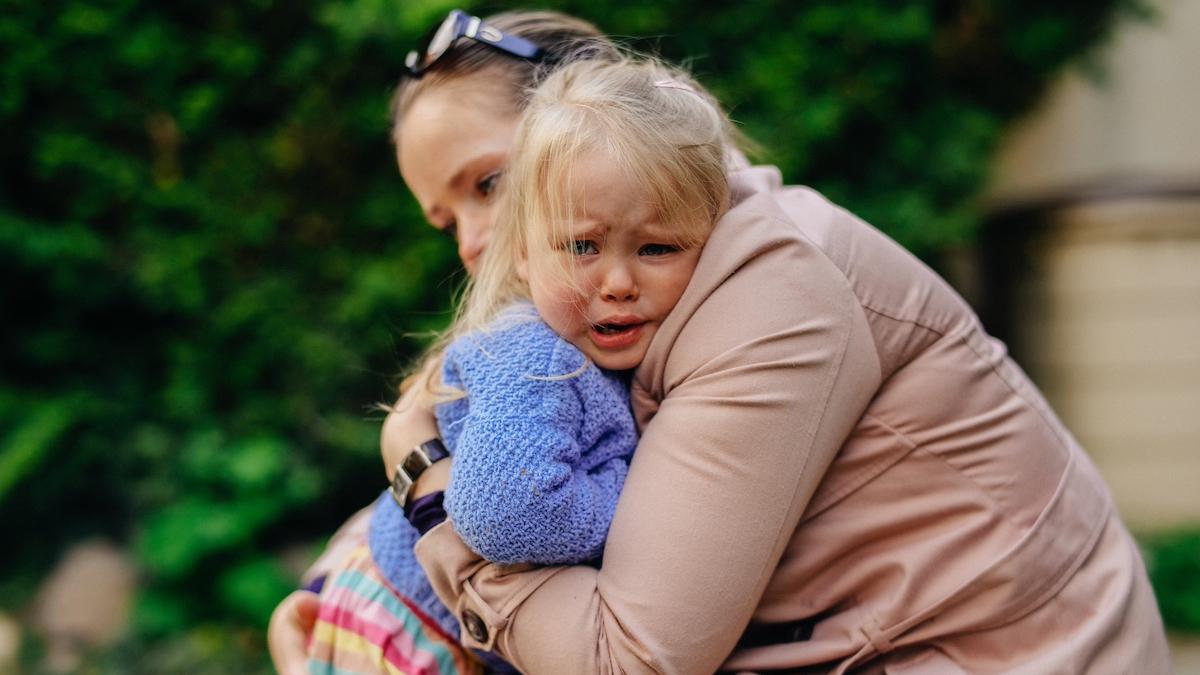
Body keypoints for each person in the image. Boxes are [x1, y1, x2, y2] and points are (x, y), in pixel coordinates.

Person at [274, 9, 1172, 674]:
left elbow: (630, 658)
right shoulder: (627, 306)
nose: (473, 241)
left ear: (594, 119)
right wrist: (336, 598)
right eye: (445, 218)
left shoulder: (771, 293)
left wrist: (423, 481)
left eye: (487, 183)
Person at [305, 55, 732, 675]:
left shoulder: (591, 332)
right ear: (528, 251)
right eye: (582, 244)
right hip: (414, 633)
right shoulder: (536, 351)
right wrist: (643, 499)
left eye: (486, 184)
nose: (471, 240)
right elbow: (505, 507)